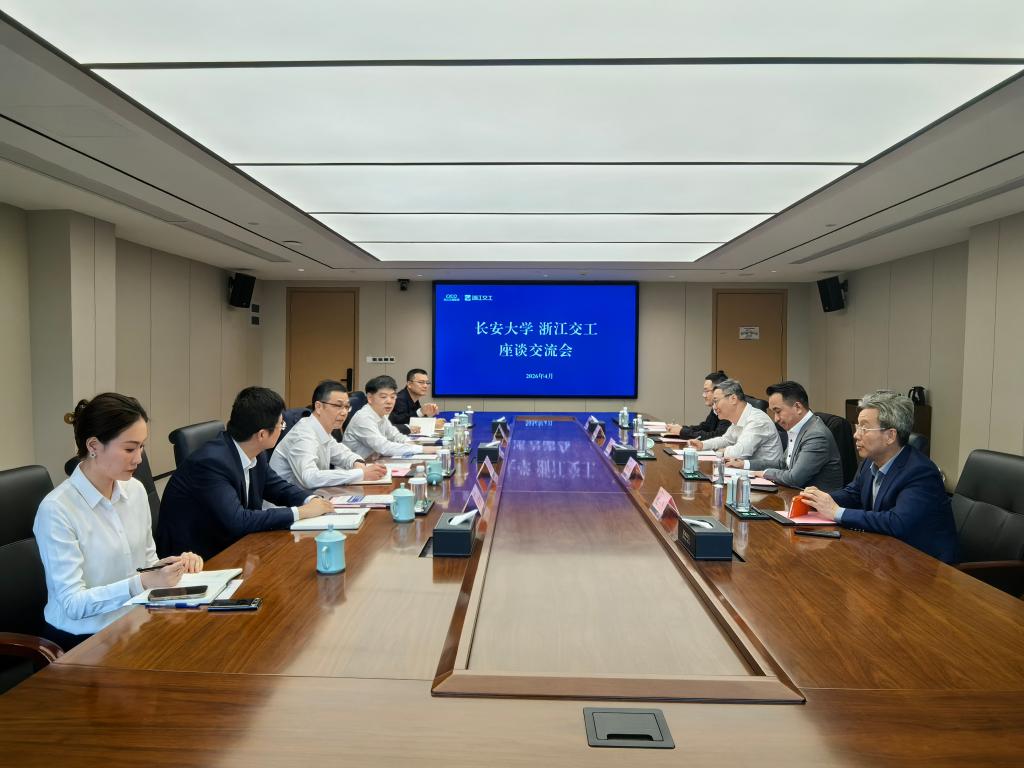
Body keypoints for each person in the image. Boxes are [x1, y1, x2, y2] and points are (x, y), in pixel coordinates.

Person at [34, 393, 203, 649]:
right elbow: (72, 604)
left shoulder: (134, 490)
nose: (139, 458)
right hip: (81, 641)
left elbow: (146, 564)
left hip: (134, 624)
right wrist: (141, 583)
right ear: (93, 446)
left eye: (141, 447)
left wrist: (172, 566)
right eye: (129, 449)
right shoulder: (57, 510)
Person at [157, 387, 333, 560]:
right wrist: (301, 512)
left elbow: (277, 487)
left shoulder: (254, 451)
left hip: (232, 545)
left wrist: (310, 500)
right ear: (262, 434)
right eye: (281, 424)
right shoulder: (211, 463)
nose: (282, 428)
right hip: (195, 559)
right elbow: (238, 520)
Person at [799, 391, 957, 563]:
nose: (856, 435)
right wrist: (817, 501)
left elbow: (897, 522)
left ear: (890, 436)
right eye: (857, 426)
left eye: (864, 428)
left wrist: (837, 512)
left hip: (925, 565)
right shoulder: (870, 461)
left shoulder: (920, 472)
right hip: (886, 554)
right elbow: (853, 494)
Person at [725, 380, 843, 490]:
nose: (776, 419)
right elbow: (783, 464)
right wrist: (744, 464)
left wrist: (762, 473)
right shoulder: (800, 428)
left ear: (797, 407)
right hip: (795, 495)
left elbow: (794, 478)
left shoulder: (816, 436)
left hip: (814, 503)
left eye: (778, 411)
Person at [270, 380, 388, 488]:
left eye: (347, 407)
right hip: (287, 503)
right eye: (338, 406)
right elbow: (309, 478)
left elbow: (344, 454)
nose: (344, 412)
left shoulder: (322, 431)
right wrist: (360, 473)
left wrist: (357, 463)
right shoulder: (303, 435)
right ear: (319, 407)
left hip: (313, 497)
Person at [687, 379, 784, 465]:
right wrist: (703, 445)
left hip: (766, 477)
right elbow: (726, 440)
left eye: (716, 401)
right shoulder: (738, 419)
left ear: (733, 399)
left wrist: (722, 451)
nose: (714, 407)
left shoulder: (757, 420)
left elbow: (739, 453)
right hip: (749, 473)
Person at [344, 375, 439, 460]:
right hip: (354, 469)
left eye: (393, 397)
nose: (389, 401)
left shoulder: (381, 414)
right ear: (370, 398)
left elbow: (395, 436)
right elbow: (384, 447)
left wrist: (412, 444)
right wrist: (422, 449)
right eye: (383, 397)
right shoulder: (364, 418)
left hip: (372, 462)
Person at [665, 370, 731, 439]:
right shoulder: (715, 408)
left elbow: (717, 436)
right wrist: (681, 428)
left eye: (706, 391)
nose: (703, 395)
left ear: (718, 390)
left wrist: (682, 431)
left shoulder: (727, 410)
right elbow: (705, 427)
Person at [390, 368, 444, 435]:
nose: (425, 386)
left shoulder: (414, 399)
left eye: (427, 383)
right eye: (421, 382)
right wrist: (421, 412)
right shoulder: (399, 399)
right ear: (409, 384)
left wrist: (429, 417)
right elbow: (401, 423)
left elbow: (416, 420)